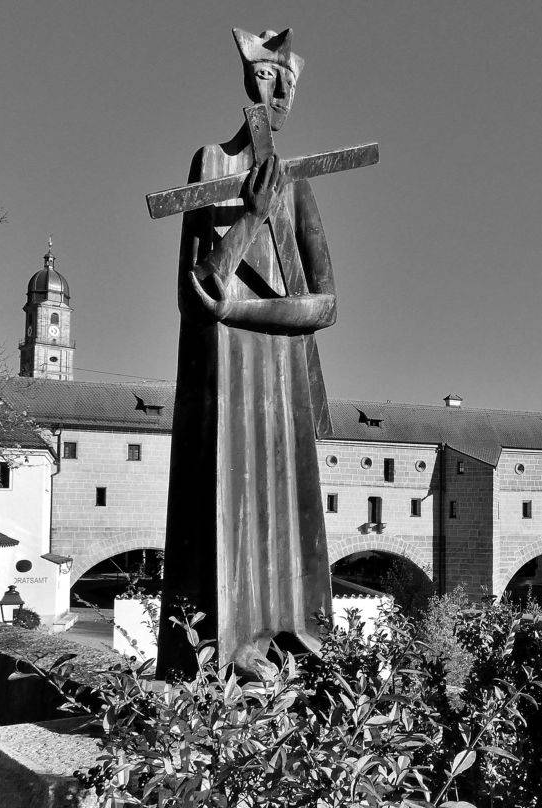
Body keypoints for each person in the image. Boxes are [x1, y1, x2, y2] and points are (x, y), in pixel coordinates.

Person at [160, 28, 336, 676]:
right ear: (248, 78)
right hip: (227, 369)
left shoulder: (300, 184)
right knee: (227, 497)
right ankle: (226, 650)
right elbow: (198, 288)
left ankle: (291, 641)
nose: (281, 94)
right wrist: (252, 214)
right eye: (269, 76)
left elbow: (325, 304)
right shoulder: (210, 163)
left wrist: (238, 310)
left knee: (287, 509)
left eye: (290, 83)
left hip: (282, 371)